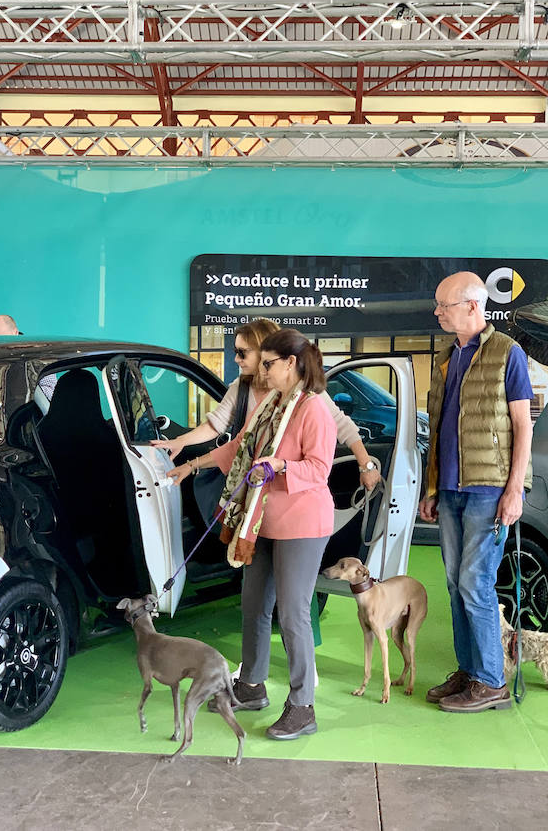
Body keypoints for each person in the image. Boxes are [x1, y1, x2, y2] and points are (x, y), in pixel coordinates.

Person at [168, 329, 336, 740]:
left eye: (268, 364)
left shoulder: (313, 410)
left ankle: (302, 707)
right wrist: (191, 464)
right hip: (261, 521)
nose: (261, 370)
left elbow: (319, 469)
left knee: (293, 613)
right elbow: (238, 447)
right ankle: (252, 685)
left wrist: (280, 467)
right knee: (253, 604)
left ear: (291, 364)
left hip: (302, 523)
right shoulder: (268, 405)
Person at [420, 271, 533, 713]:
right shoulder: (447, 355)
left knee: (474, 583)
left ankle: (491, 681)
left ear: (471, 306)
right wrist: (432, 487)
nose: (437, 312)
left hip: (490, 490)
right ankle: (469, 671)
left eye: (443, 305)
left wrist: (515, 490)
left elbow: (523, 425)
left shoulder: (509, 353)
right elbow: (438, 428)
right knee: (453, 582)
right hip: (450, 489)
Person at [151, 317, 381, 497]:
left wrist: (366, 465)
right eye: (235, 352)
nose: (236, 359)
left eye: (243, 352)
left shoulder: (305, 394)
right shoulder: (241, 387)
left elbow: (341, 427)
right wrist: (181, 442)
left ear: (265, 351)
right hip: (254, 488)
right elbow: (219, 428)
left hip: (293, 493)